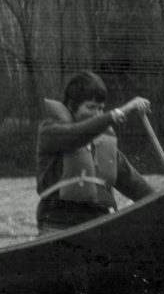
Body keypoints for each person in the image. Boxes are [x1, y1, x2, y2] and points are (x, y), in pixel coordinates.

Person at [35, 70, 156, 233]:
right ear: (71, 106)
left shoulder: (104, 144)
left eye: (101, 108)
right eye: (91, 107)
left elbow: (136, 186)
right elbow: (78, 135)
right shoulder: (50, 132)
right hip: (58, 225)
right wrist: (119, 112)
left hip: (98, 226)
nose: (97, 114)